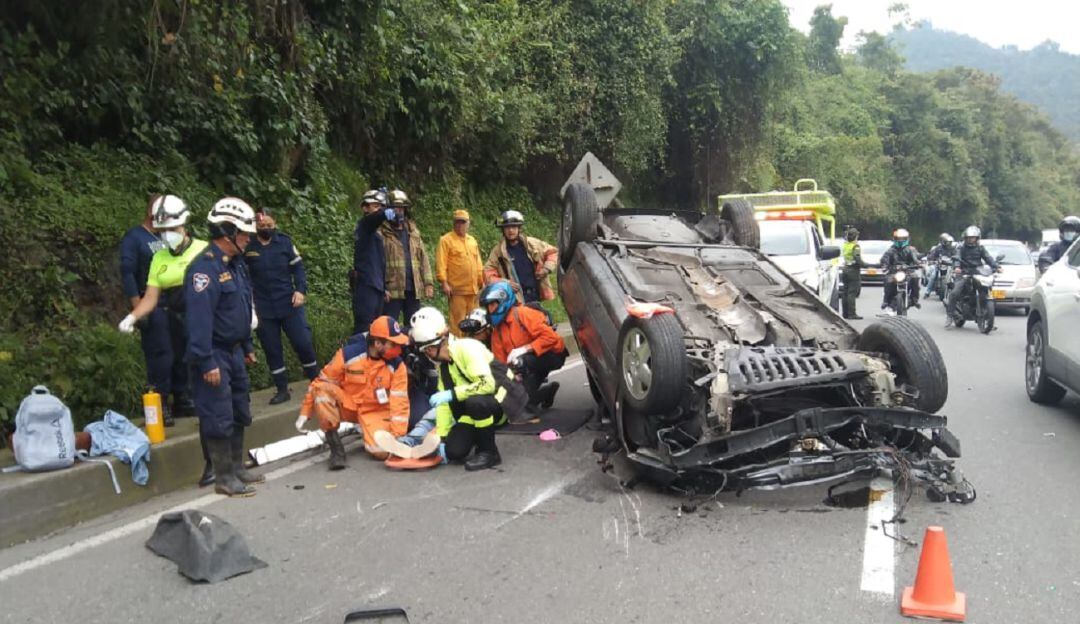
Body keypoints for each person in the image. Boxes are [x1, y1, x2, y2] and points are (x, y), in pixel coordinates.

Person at [185, 197, 264, 498]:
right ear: (227, 231)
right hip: (214, 353)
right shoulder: (203, 271)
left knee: (238, 408)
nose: (247, 238)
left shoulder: (236, 264)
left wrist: (247, 344)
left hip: (234, 350)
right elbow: (199, 322)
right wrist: (206, 363)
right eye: (243, 233)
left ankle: (236, 466)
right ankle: (223, 476)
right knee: (218, 413)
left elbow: (241, 307)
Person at [295, 316, 411, 469]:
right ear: (377, 344)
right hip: (349, 405)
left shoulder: (397, 366)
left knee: (381, 452)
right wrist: (305, 412)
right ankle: (336, 449)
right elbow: (321, 381)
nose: (398, 348)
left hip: (376, 411)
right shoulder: (347, 355)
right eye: (393, 344)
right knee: (322, 391)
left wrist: (397, 437)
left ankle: (370, 436)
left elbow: (400, 405)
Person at [409, 307, 507, 471]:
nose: (427, 354)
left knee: (475, 402)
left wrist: (452, 394)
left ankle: (489, 452)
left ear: (431, 347)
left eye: (426, 350)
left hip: (501, 403)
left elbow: (488, 384)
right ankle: (477, 434)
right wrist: (443, 436)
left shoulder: (467, 348)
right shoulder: (444, 367)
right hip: (473, 410)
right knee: (455, 451)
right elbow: (444, 406)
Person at [244, 207, 318, 405]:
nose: (266, 228)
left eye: (269, 225)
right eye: (262, 225)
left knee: (303, 343)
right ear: (255, 226)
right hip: (264, 308)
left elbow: (298, 269)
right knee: (272, 349)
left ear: (275, 224)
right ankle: (282, 389)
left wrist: (300, 290)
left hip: (289, 304)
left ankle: (317, 383)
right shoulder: (248, 246)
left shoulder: (284, 242)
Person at [480, 280, 566, 412]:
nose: (490, 309)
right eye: (488, 306)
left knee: (520, 361)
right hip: (525, 365)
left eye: (493, 304)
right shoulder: (497, 331)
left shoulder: (523, 314)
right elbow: (500, 363)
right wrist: (511, 381)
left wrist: (524, 349)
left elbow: (552, 338)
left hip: (551, 356)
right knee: (521, 402)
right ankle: (547, 392)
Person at [380, 189, 435, 325]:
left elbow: (424, 259)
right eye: (395, 208)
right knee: (388, 326)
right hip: (392, 291)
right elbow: (377, 263)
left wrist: (428, 283)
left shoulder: (413, 232)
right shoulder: (381, 233)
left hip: (413, 289)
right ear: (388, 210)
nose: (399, 212)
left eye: (402, 208)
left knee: (414, 326)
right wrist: (382, 288)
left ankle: (410, 347)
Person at [483, 210, 558, 304]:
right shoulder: (498, 252)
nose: (510, 230)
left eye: (514, 226)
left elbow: (553, 252)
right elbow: (487, 274)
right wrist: (505, 283)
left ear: (519, 228)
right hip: (514, 300)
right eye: (507, 227)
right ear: (503, 230)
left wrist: (546, 269)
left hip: (535, 297)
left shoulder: (532, 244)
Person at [350, 189, 396, 334]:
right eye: (374, 205)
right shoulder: (364, 226)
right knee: (363, 330)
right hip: (365, 287)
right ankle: (355, 356)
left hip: (376, 288)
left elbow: (379, 263)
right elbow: (374, 219)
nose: (379, 209)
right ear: (365, 207)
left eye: (380, 206)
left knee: (375, 330)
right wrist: (384, 212)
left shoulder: (376, 233)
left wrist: (383, 288)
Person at [436, 209, 484, 335]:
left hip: (474, 291)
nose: (460, 225)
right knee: (458, 323)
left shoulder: (472, 241)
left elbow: (478, 262)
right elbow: (441, 263)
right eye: (457, 222)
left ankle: (473, 347)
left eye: (463, 222)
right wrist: (444, 283)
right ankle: (456, 350)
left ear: (468, 224)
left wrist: (482, 281)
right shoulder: (445, 240)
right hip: (457, 291)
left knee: (475, 321)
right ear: (453, 223)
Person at [946, 225, 1001, 327]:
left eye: (973, 238)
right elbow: (957, 257)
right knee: (954, 292)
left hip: (977, 272)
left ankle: (989, 320)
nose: (971, 240)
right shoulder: (961, 248)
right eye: (969, 238)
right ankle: (949, 316)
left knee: (986, 290)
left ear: (977, 238)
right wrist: (957, 267)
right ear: (965, 238)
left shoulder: (980, 248)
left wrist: (996, 267)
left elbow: (988, 258)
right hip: (963, 273)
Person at [879, 228, 921, 313]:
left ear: (907, 239)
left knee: (915, 278)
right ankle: (886, 300)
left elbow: (916, 259)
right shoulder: (890, 250)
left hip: (908, 271)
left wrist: (919, 264)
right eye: (898, 238)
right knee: (888, 280)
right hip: (894, 272)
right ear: (895, 239)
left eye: (902, 238)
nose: (900, 240)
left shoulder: (911, 250)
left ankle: (915, 299)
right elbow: (884, 260)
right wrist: (884, 266)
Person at [839, 227, 867, 320]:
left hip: (845, 269)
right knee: (852, 293)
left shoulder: (846, 245)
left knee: (845, 292)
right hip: (853, 271)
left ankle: (845, 313)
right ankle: (852, 314)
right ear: (856, 236)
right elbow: (857, 258)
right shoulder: (855, 246)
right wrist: (865, 265)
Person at [923, 233, 956, 299]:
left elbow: (956, 255)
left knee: (956, 276)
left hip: (950, 266)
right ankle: (927, 292)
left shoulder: (953, 248)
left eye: (950, 242)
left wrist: (956, 260)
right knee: (933, 276)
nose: (948, 243)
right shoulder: (938, 248)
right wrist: (932, 260)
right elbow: (933, 255)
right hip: (939, 265)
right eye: (947, 242)